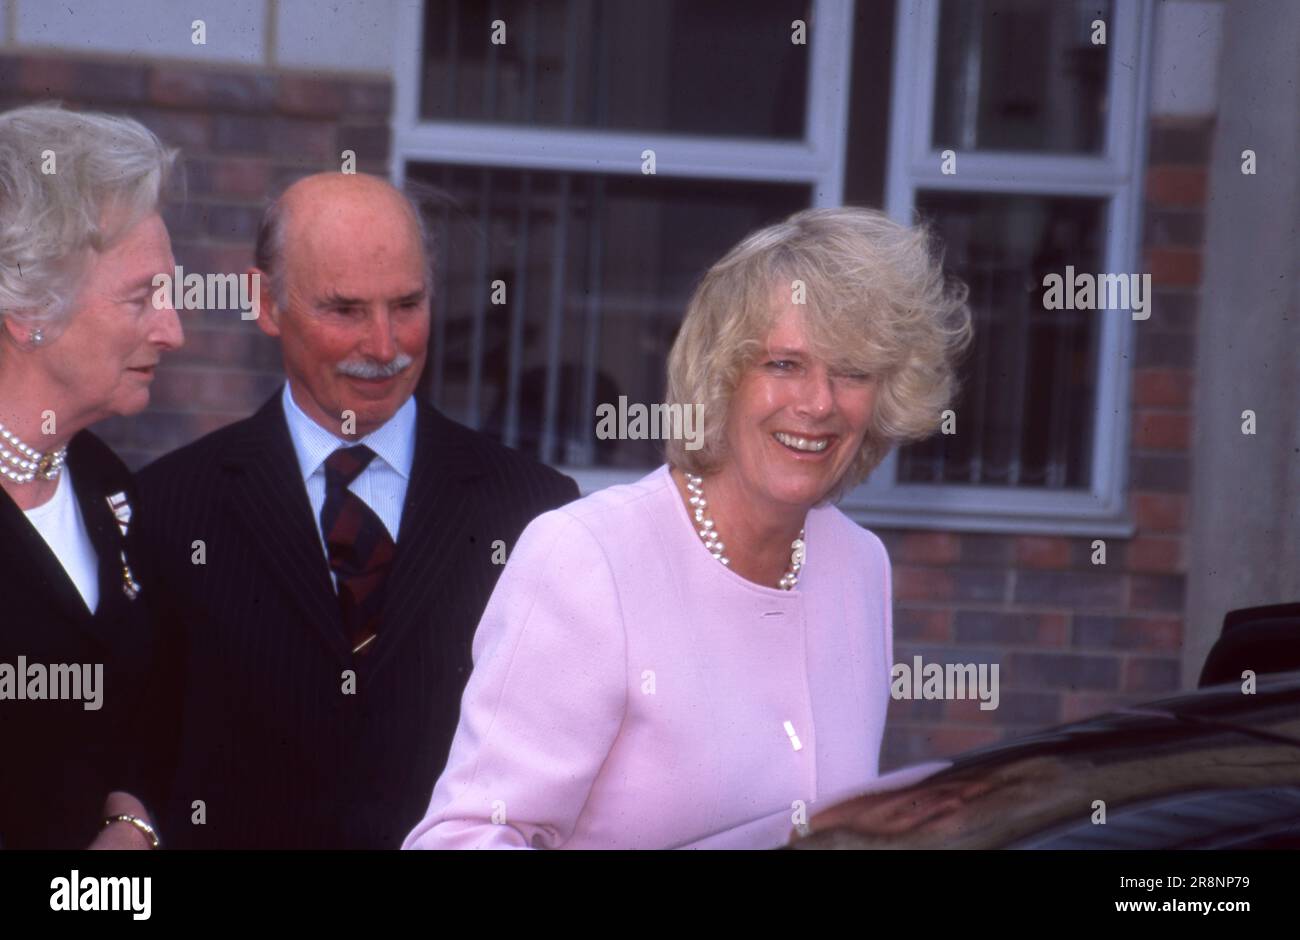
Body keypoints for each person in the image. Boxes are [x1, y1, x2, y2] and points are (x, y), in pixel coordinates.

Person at [403, 206, 973, 849]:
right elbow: (464, 839)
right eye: (784, 364)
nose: (818, 403)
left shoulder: (859, 564)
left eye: (852, 373)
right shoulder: (588, 558)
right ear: (723, 376)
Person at [133, 172, 578, 848]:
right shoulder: (167, 510)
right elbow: (140, 758)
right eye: (344, 310)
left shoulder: (535, 513)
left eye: (408, 304)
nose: (384, 345)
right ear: (265, 302)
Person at [0, 104, 183, 848]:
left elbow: (148, 712)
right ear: (29, 310)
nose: (173, 331)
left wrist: (129, 819)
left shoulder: (112, 490)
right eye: (142, 298)